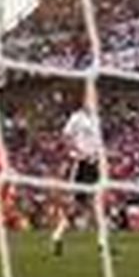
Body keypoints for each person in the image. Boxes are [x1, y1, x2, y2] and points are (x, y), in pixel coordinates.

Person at [51, 107, 104, 256]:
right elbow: (65, 137)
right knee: (77, 205)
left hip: (93, 164)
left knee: (95, 203)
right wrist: (77, 152)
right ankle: (58, 235)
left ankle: (102, 244)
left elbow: (96, 143)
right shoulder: (77, 117)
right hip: (81, 165)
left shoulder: (96, 118)